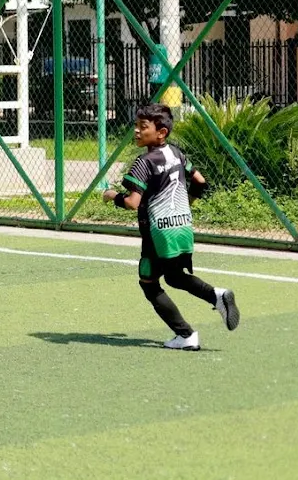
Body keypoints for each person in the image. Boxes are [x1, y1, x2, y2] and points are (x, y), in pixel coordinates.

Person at [101, 103, 240, 350]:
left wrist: (112, 196)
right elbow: (200, 181)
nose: (136, 131)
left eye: (143, 126)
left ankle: (185, 335)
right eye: (136, 125)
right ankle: (217, 296)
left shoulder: (144, 162)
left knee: (148, 283)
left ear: (161, 132)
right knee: (174, 277)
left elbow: (133, 203)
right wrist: (187, 204)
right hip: (182, 226)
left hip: (158, 232)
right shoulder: (177, 153)